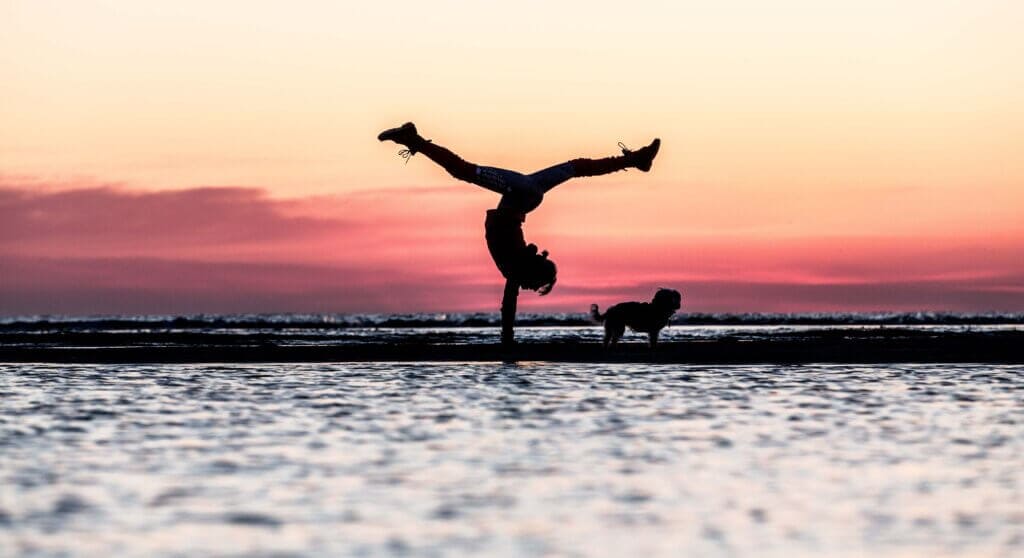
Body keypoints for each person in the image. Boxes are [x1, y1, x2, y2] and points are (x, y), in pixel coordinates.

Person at [378, 122, 660, 346]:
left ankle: (637, 160)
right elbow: (508, 307)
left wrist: (508, 339)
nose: (528, 289)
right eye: (535, 285)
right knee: (463, 171)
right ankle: (413, 139)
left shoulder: (519, 262)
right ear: (532, 274)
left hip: (526, 197)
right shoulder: (515, 268)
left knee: (575, 168)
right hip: (520, 195)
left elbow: (510, 302)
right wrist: (507, 340)